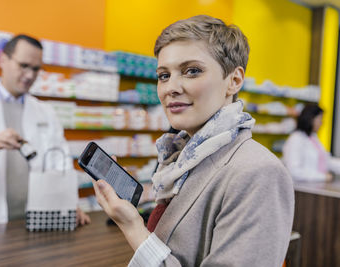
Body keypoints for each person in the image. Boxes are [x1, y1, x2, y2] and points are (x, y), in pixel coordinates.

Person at [92, 15, 294, 266]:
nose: (170, 88)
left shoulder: (258, 172)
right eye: (163, 75)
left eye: (192, 71)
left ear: (234, 80)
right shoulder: (183, 158)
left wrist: (133, 226)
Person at [0, 34, 90, 228]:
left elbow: (58, 164)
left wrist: (68, 204)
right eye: (24, 65)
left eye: (36, 69)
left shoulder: (46, 112)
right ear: (3, 60)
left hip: (35, 222)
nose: (29, 75)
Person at [283, 103, 340, 182]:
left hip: (315, 186)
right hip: (302, 189)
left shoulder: (312, 137)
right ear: (310, 119)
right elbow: (294, 171)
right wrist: (323, 177)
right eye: (320, 119)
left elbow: (326, 161)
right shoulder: (296, 139)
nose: (322, 123)